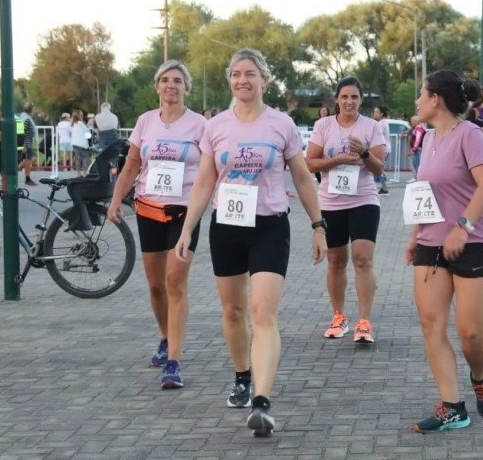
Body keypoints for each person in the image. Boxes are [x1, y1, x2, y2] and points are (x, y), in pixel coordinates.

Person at [175, 48, 327, 437]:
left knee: (263, 313)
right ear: (230, 80)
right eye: (236, 74)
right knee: (233, 310)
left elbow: (303, 178)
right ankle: (242, 375)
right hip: (225, 226)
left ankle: (261, 400)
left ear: (264, 80)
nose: (242, 80)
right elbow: (205, 182)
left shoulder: (282, 124)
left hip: (270, 226)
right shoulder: (216, 126)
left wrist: (318, 224)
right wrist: (187, 229)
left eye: (250, 74)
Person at [405, 69, 483, 433]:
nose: (417, 100)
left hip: (475, 242)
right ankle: (452, 406)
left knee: (470, 332)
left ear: (435, 99)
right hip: (431, 244)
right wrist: (416, 235)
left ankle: (479, 377)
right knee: (432, 324)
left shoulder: (470, 134)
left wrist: (463, 226)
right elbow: (425, 192)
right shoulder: (427, 139)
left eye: (421, 93)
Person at [107, 60, 207, 390]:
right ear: (157, 87)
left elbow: (212, 169)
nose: (170, 86)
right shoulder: (146, 122)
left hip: (184, 212)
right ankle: (165, 338)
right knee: (155, 286)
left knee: (175, 282)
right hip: (148, 208)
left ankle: (174, 362)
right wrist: (115, 199)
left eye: (177, 80)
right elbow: (133, 162)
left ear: (186, 88)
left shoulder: (199, 125)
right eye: (165, 80)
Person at [305, 77, 385, 343]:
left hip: (363, 199)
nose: (349, 101)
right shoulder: (323, 125)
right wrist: (335, 160)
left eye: (354, 97)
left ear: (361, 100)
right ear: (337, 100)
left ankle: (364, 322)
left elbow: (378, 168)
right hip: (330, 202)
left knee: (362, 258)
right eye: (344, 97)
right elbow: (310, 164)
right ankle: (339, 316)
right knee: (336, 260)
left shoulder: (371, 126)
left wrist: (363, 153)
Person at [372, 105, 391, 195]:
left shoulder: (381, 124)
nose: (374, 114)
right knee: (379, 168)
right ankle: (383, 187)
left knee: (379, 168)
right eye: (374, 111)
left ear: (382, 113)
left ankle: (384, 187)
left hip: (383, 149)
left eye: (376, 112)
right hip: (385, 148)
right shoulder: (383, 123)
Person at [19, 102, 37, 186]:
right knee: (29, 160)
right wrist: (24, 144)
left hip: (28, 142)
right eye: (33, 109)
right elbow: (23, 132)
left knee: (30, 159)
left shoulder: (26, 117)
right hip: (27, 143)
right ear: (30, 109)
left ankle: (27, 177)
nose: (34, 111)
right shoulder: (26, 119)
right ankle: (27, 178)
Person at [312, 105, 332, 183]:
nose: (323, 112)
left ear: (328, 112)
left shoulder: (331, 122)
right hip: (318, 144)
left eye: (325, 110)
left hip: (327, 144)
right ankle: (320, 181)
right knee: (316, 163)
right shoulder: (317, 123)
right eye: (322, 110)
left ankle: (328, 181)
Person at [70, 109, 91, 177]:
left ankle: (78, 173)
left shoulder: (72, 124)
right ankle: (84, 172)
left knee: (78, 158)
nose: (82, 116)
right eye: (81, 115)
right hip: (82, 144)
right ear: (78, 116)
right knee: (85, 158)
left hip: (75, 143)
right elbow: (88, 134)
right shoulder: (81, 124)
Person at [408, 115, 426, 183]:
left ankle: (419, 180)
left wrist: (414, 149)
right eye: (412, 121)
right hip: (417, 149)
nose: (413, 122)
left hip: (418, 149)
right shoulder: (417, 128)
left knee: (418, 164)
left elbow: (417, 140)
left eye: (414, 121)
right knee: (416, 164)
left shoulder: (419, 129)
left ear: (418, 121)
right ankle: (418, 179)